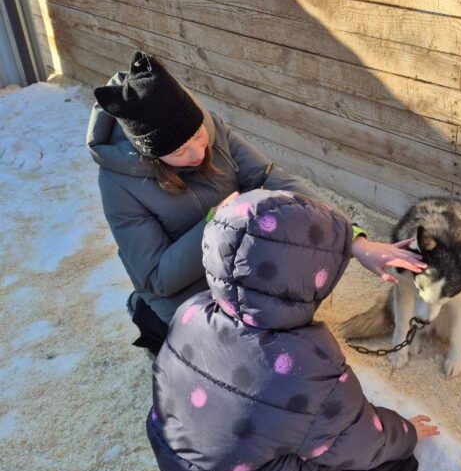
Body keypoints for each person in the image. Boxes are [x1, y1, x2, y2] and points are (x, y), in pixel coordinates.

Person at [87, 51, 426, 356]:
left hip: (238, 258)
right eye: (179, 151)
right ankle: (150, 320)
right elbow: (158, 278)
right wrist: (215, 222)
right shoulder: (120, 185)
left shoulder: (210, 126)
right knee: (232, 367)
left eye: (197, 135)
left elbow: (272, 180)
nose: (198, 152)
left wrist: (355, 240)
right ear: (151, 155)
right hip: (184, 289)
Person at [147, 188, 440, 471]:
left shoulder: (192, 311)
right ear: (307, 278)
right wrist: (406, 432)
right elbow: (359, 442)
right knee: (399, 468)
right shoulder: (302, 364)